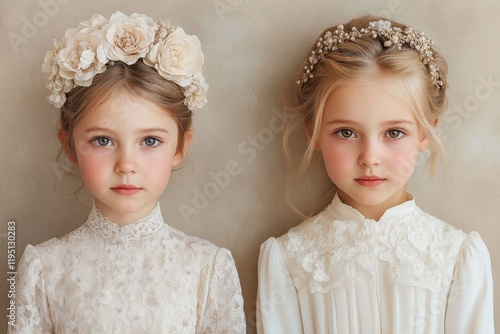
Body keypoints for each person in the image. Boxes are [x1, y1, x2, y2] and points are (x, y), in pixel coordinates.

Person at [11, 11, 246, 333]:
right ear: (69, 146)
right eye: (103, 140)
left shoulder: (208, 267)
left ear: (180, 146)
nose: (126, 164)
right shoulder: (45, 267)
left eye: (149, 141)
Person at [257, 15, 494, 334]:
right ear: (313, 133)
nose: (370, 158)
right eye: (346, 132)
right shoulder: (288, 259)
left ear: (425, 134)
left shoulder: (458, 256)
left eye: (394, 133)